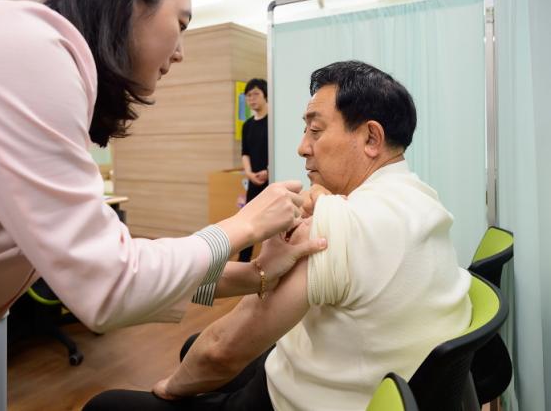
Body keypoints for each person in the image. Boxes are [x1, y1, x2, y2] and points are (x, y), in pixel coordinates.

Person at [0, 0, 327, 398]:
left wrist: (256, 274)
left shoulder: (33, 58)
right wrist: (242, 226)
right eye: (181, 24)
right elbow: (112, 279)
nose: (180, 52)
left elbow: (108, 263)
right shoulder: (25, 49)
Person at [82, 60, 473, 410]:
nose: (302, 147)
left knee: (108, 404)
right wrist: (268, 263)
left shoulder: (340, 223)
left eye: (315, 130)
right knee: (196, 347)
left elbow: (220, 351)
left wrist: (169, 387)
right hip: (377, 384)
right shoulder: (423, 200)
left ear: (372, 138)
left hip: (293, 399)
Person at [238, 78, 269, 262]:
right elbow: (245, 153)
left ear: (265, 95)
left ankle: (269, 262)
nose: (251, 99)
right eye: (248, 95)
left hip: (271, 180)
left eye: (256, 94)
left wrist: (269, 171)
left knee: (272, 223)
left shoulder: (273, 121)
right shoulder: (247, 125)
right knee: (247, 222)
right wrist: (249, 173)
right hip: (253, 182)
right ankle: (243, 262)